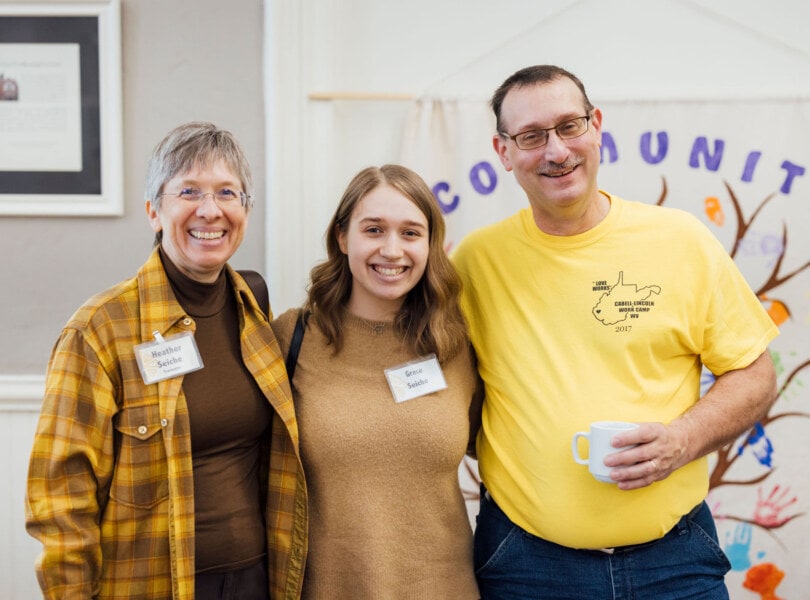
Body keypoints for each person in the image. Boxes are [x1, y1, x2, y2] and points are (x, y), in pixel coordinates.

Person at [451, 65, 780, 599]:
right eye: (531, 136)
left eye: (569, 126)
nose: (556, 150)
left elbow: (754, 373)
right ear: (503, 151)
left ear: (597, 125)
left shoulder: (680, 240)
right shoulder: (475, 263)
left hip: (676, 560)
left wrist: (682, 440)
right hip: (525, 563)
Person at [25, 122, 306, 600]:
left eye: (227, 193)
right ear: (155, 211)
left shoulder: (254, 309)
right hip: (153, 584)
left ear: (245, 210)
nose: (210, 210)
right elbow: (59, 498)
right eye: (189, 191)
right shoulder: (99, 329)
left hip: (258, 579)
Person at [271, 164, 482, 599]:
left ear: (430, 245)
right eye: (374, 230)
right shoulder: (290, 338)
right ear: (343, 238)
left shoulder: (457, 344)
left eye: (410, 233)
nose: (392, 250)